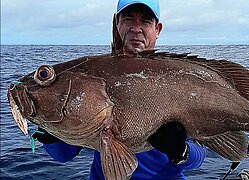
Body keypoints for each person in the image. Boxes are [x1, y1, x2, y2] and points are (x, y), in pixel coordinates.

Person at [32, 0, 207, 179]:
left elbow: (199, 157)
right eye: (129, 19)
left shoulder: (181, 79)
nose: (136, 28)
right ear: (117, 24)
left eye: (145, 21)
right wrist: (50, 133)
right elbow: (63, 155)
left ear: (158, 29)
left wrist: (181, 150)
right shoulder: (91, 75)